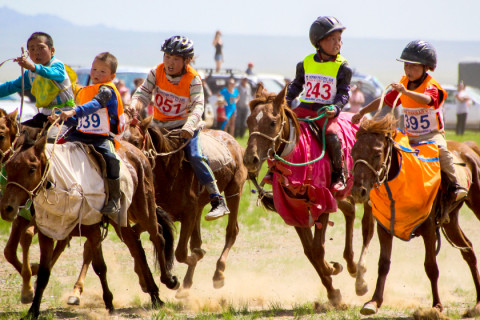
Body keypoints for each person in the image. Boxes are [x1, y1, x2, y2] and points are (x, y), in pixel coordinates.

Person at [352, 40, 468, 203]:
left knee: (443, 152)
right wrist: (362, 111)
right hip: (409, 136)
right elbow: (383, 101)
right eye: (406, 66)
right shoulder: (404, 85)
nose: (408, 70)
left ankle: (455, 185)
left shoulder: (431, 86)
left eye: (413, 66)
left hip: (431, 136)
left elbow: (427, 100)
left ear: (426, 67)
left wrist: (405, 92)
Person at [129, 35, 230, 221]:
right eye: (167, 57)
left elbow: (199, 105)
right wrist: (135, 103)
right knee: (133, 149)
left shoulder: (193, 79)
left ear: (187, 61)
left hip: (184, 128)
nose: (169, 62)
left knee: (196, 156)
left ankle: (217, 199)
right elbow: (143, 93)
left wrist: (190, 126)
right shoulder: (156, 72)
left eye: (175, 59)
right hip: (158, 127)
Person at [53, 52, 126, 221]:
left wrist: (74, 111)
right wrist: (61, 118)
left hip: (101, 136)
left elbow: (95, 105)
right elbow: (79, 118)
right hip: (80, 134)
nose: (96, 74)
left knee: (111, 159)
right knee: (56, 148)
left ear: (112, 76)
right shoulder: (84, 90)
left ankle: (114, 199)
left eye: (102, 71)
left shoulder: (106, 90)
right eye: (94, 69)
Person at [284, 16, 352, 192]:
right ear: (318, 42)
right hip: (304, 107)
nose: (338, 44)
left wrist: (336, 108)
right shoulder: (305, 62)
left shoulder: (343, 67)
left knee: (332, 135)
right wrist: (286, 101)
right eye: (332, 39)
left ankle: (338, 174)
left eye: (339, 40)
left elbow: (344, 93)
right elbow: (296, 86)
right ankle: (274, 168)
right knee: (283, 127)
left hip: (325, 111)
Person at [0, 32, 75, 136]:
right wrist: (32, 68)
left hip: (64, 116)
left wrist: (33, 67)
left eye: (41, 48)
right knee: (14, 135)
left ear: (52, 50)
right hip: (44, 117)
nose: (36, 52)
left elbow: (51, 73)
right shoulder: (30, 73)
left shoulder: (57, 66)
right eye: (32, 49)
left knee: (50, 140)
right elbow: (11, 87)